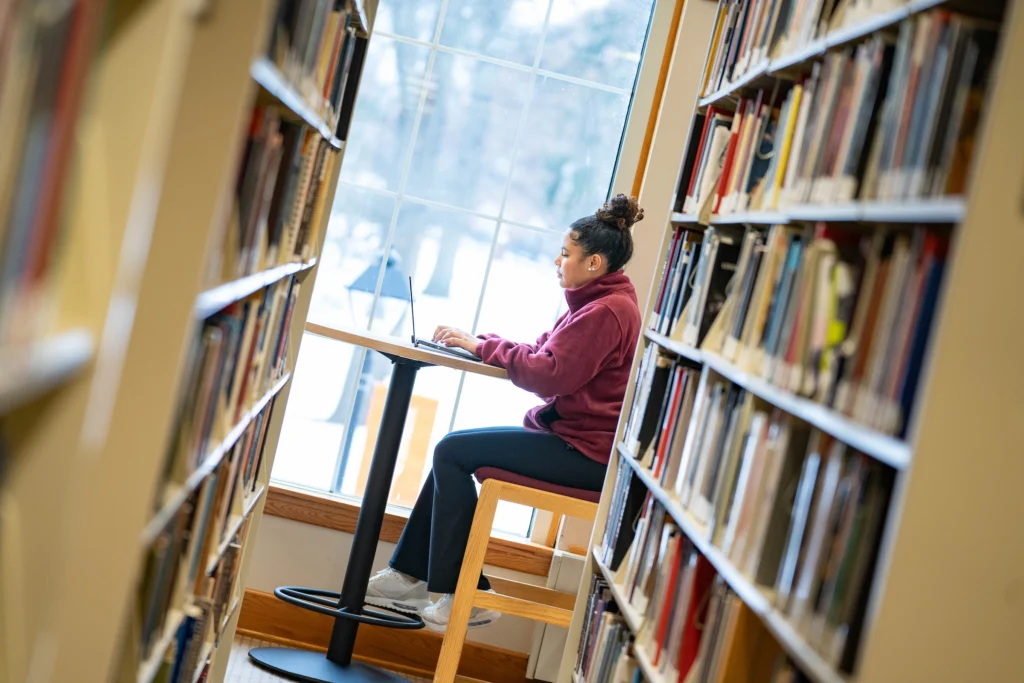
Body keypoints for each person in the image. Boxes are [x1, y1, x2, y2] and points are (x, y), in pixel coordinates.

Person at [365, 194, 645, 632]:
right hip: (575, 441)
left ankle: (468, 593)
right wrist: (480, 342)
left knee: (452, 452)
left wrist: (482, 348)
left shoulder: (606, 311)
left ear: (593, 263)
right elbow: (543, 352)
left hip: (586, 454)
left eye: (566, 253)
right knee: (454, 451)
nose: (558, 260)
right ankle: (408, 576)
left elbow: (549, 375)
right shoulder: (598, 301)